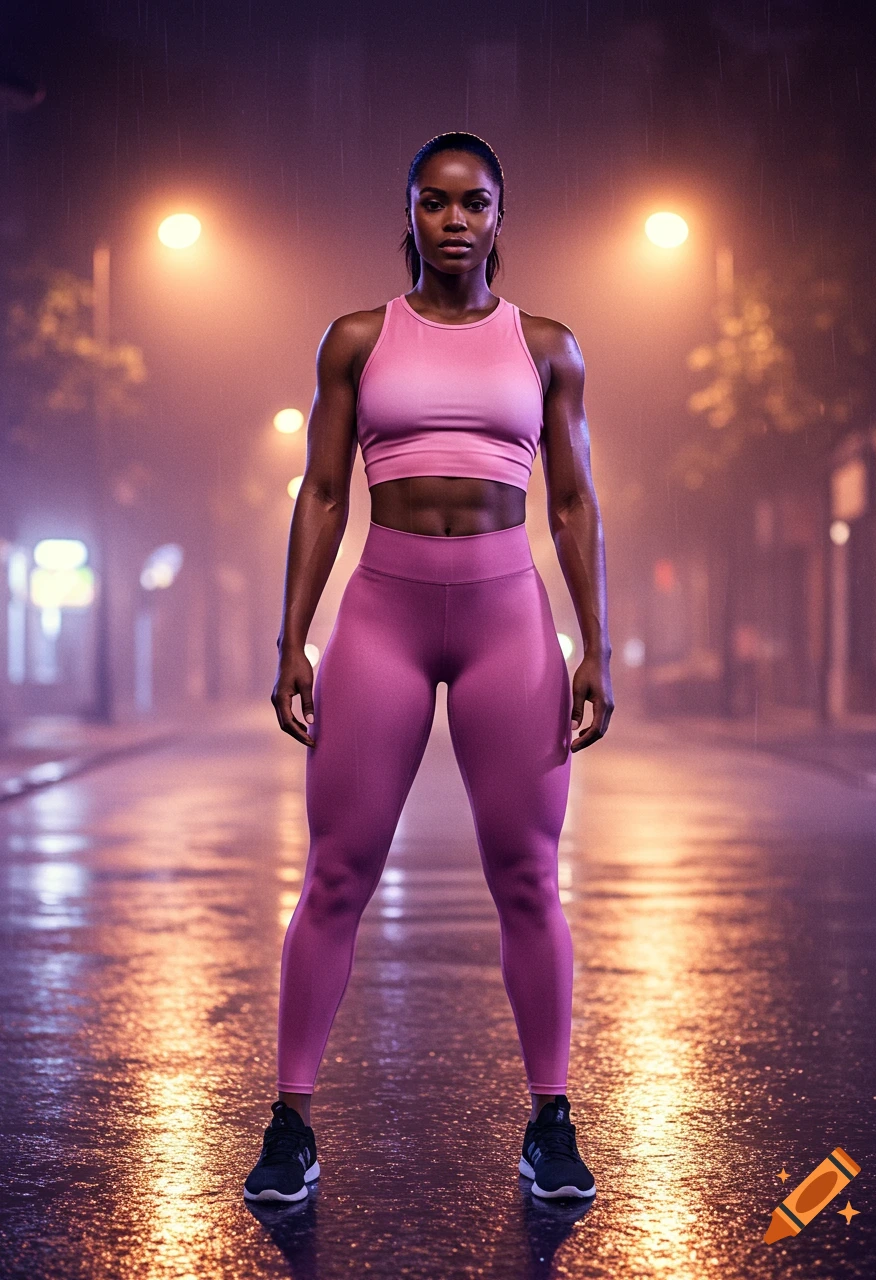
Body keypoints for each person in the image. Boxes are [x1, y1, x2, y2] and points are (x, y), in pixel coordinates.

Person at [244, 132, 614, 1205]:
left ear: (503, 216)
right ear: (407, 213)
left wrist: (595, 642)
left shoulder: (545, 345)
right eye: (435, 202)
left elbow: (574, 499)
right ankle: (290, 1123)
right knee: (336, 875)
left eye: (475, 203)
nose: (455, 221)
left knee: (526, 878)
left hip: (508, 618)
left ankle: (550, 1118)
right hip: (383, 617)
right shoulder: (358, 339)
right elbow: (318, 492)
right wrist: (291, 641)